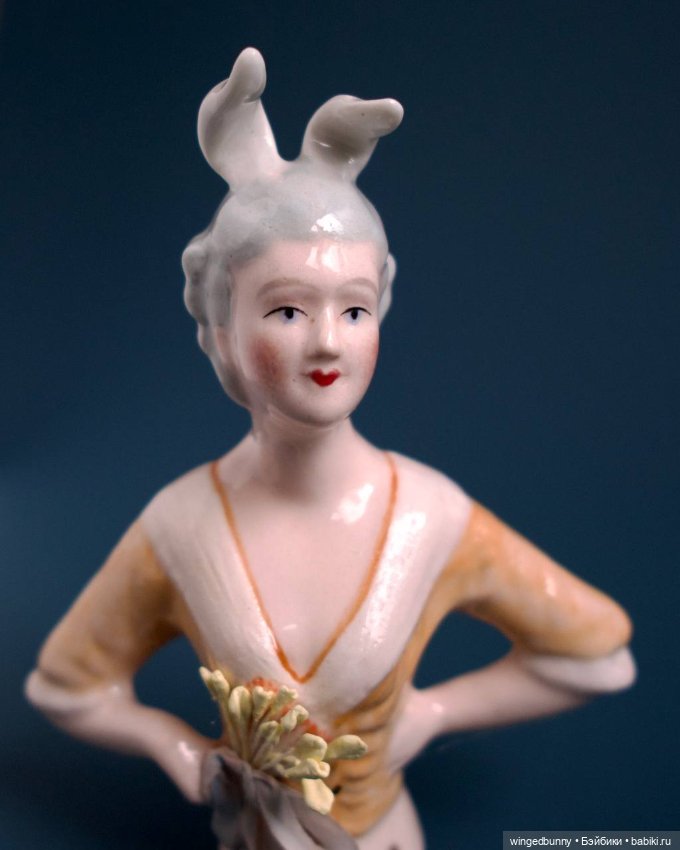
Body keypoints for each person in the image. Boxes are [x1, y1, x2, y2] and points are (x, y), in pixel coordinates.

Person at [25, 49, 635, 850]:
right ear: (221, 328)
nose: (327, 342)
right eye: (286, 310)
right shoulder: (179, 527)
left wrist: (431, 714)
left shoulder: (430, 517)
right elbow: (68, 686)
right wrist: (177, 748)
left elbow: (597, 658)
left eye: (354, 310)